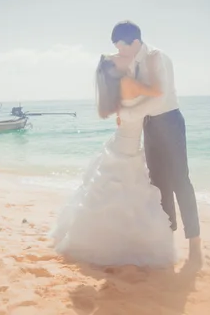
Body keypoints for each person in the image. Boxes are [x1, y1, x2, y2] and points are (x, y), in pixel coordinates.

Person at [48, 53, 179, 267]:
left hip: (123, 142)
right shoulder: (128, 82)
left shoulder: (120, 84)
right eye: (116, 56)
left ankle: (105, 241)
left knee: (114, 197)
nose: (121, 55)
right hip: (126, 145)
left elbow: (125, 115)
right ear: (113, 67)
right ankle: (121, 247)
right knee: (124, 197)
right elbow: (156, 92)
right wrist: (154, 69)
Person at [112, 20, 202, 266]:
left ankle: (195, 245)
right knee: (159, 184)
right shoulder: (132, 61)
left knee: (180, 181)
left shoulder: (156, 57)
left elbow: (157, 97)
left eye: (123, 47)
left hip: (169, 121)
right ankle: (167, 240)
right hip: (149, 124)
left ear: (136, 43)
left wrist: (128, 114)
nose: (121, 52)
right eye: (118, 48)